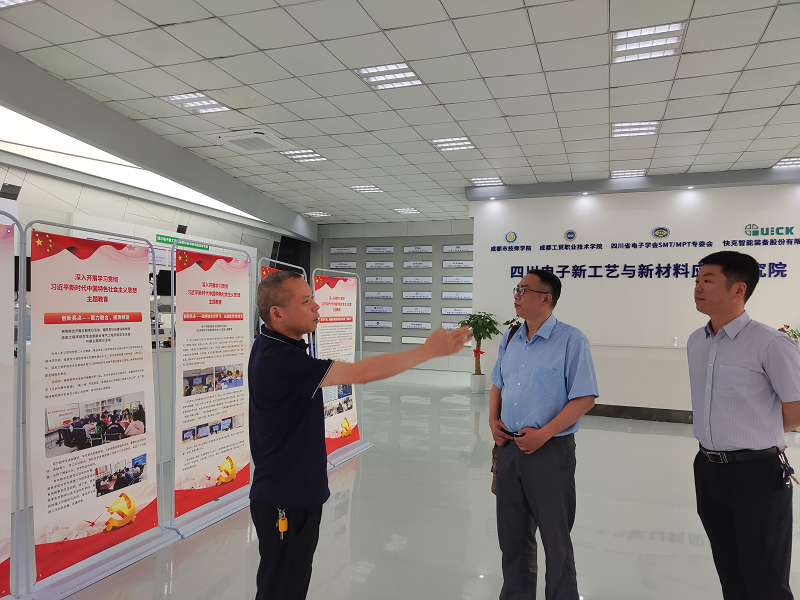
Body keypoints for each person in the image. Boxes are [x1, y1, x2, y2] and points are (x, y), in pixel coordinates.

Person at [249, 270, 472, 600]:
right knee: (282, 589)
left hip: (291, 493)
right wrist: (426, 351)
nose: (316, 306)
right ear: (277, 313)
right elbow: (360, 373)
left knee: (289, 584)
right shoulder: (281, 359)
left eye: (313, 298)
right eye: (306, 301)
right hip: (286, 501)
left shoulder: (273, 343)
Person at [689, 251, 800, 600]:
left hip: (757, 473)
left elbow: (797, 405)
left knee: (765, 577)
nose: (697, 287)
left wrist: (761, 431)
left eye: (708, 280)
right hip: (708, 468)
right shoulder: (696, 341)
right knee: (730, 570)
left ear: (739, 289)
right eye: (697, 280)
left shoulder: (770, 343)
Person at [489, 269, 599, 600]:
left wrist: (545, 434)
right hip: (509, 448)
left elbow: (585, 398)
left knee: (556, 540)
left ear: (545, 298)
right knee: (512, 537)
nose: (516, 294)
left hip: (550, 452)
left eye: (524, 289)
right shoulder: (510, 337)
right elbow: (498, 383)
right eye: (517, 288)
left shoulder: (571, 340)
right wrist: (492, 421)